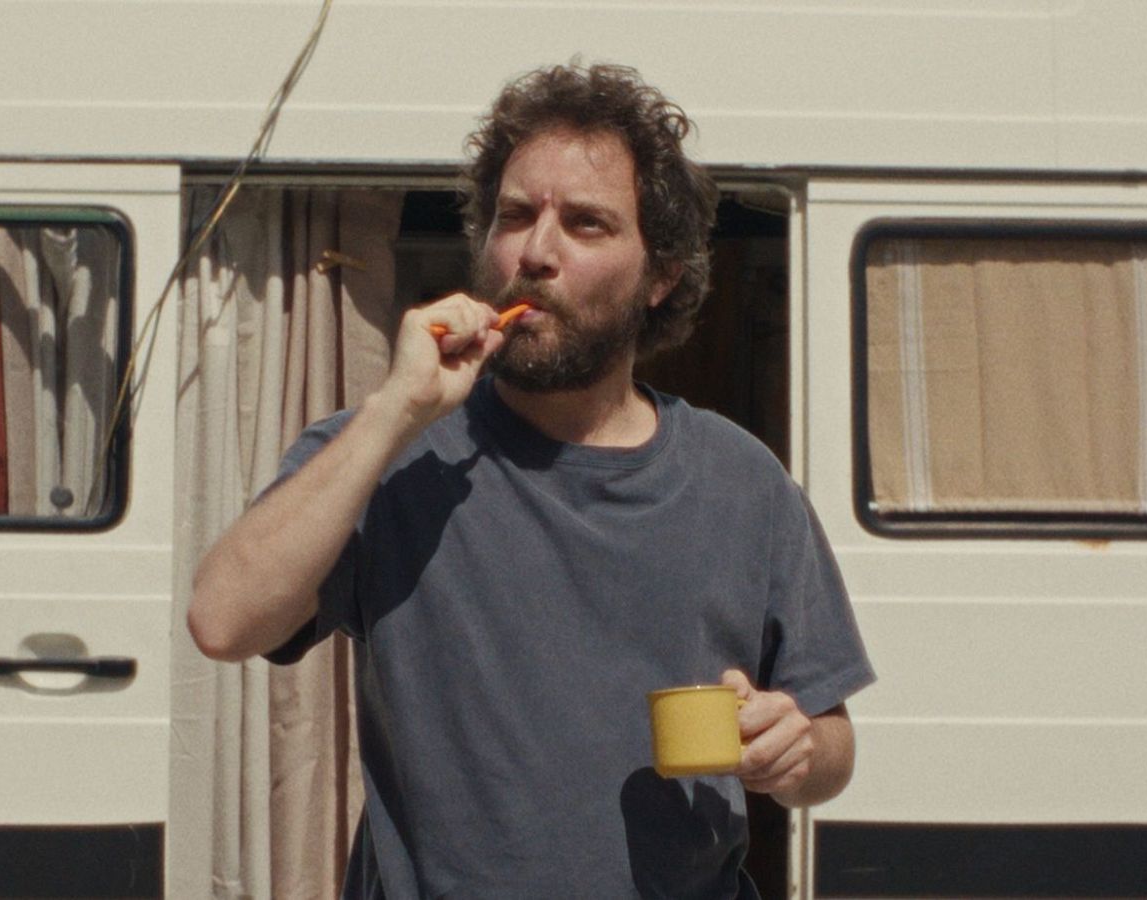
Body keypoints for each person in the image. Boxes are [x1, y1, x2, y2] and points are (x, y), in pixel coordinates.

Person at [189, 61, 874, 899]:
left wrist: (796, 751)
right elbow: (222, 621)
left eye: (585, 225)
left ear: (660, 276)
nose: (536, 253)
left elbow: (831, 744)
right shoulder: (393, 451)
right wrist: (395, 410)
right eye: (515, 217)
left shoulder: (742, 482)